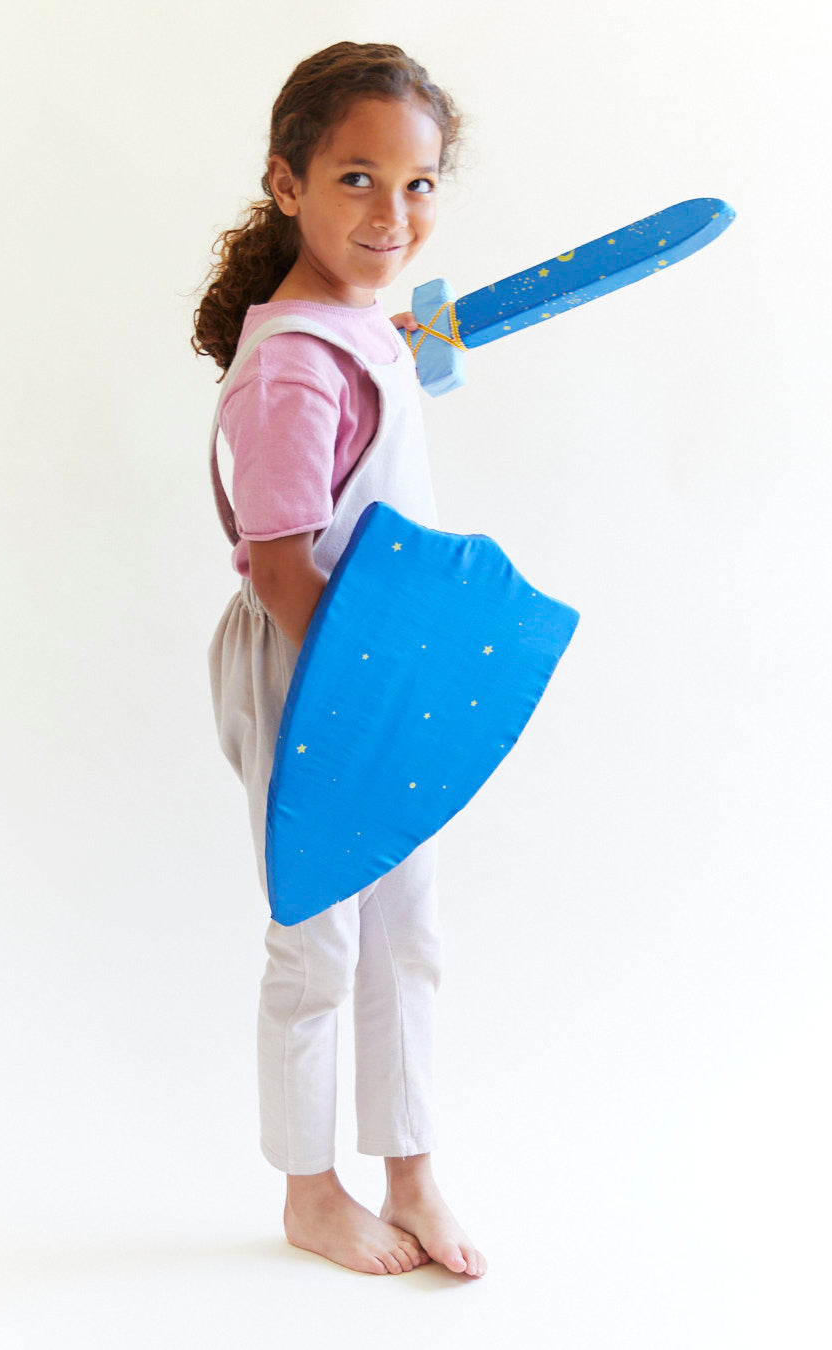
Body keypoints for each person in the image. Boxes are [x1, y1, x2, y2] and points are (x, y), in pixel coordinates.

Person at [193, 41, 487, 1279]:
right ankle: (312, 1189)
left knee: (406, 925)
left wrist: (422, 350)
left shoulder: (359, 329)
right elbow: (279, 562)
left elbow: (399, 404)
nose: (392, 213)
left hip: (382, 665)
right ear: (286, 183)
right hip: (311, 665)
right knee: (320, 936)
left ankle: (409, 1161)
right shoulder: (293, 369)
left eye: (418, 186)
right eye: (358, 178)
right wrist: (358, 693)